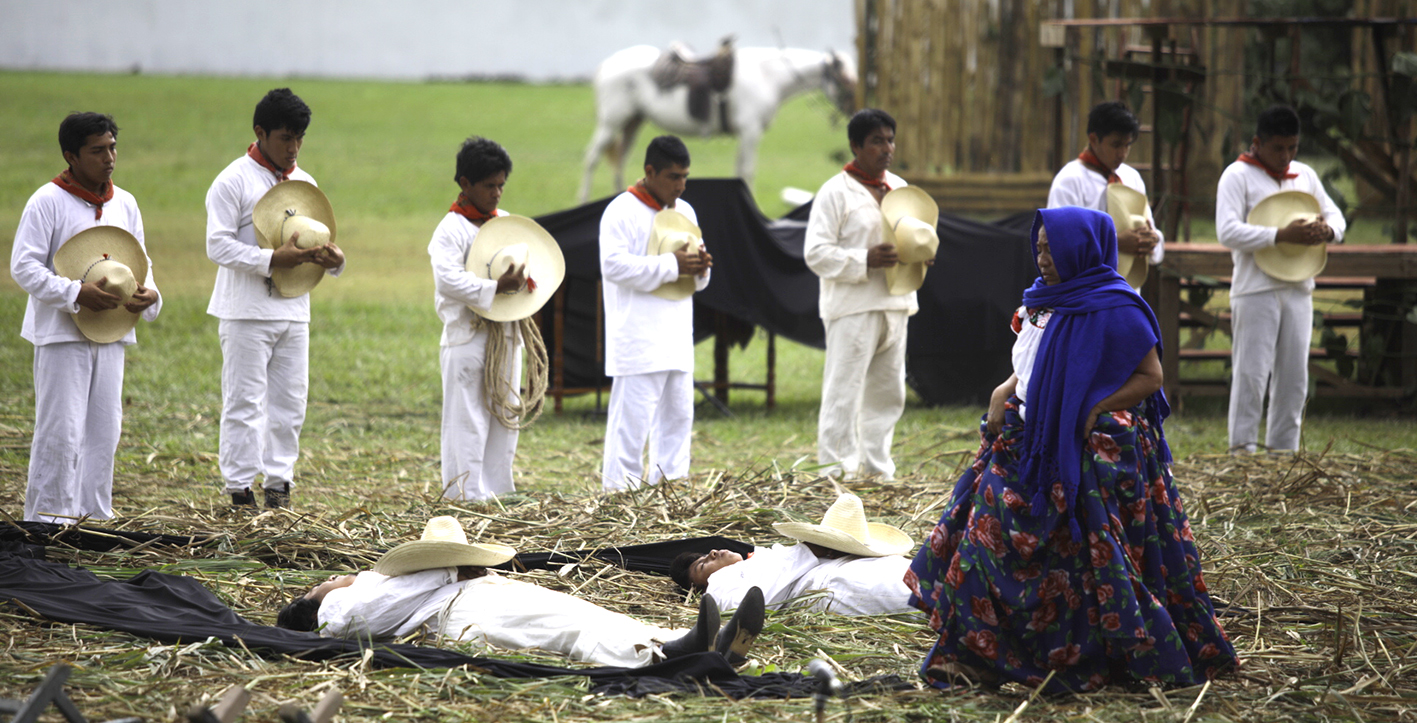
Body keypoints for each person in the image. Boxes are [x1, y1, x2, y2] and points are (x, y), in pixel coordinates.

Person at [906, 207, 1236, 692]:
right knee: (981, 539)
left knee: (1079, 565)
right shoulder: (1041, 302)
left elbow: (1151, 377)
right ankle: (969, 658)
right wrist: (1005, 389)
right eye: (1039, 248)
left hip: (1078, 452)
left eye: (1052, 249)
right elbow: (1033, 362)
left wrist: (1093, 407)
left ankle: (1080, 659)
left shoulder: (1115, 306)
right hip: (1024, 440)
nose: (1043, 258)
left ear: (1081, 250)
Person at [276, 517, 765, 668]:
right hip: (455, 612)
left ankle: (690, 642)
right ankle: (659, 657)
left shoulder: (380, 580)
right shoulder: (339, 605)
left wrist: (458, 571)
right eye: (323, 584)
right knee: (565, 628)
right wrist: (451, 573)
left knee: (585, 612)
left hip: (482, 591)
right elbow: (360, 621)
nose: (334, 579)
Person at [10, 112, 161, 523]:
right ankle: (48, 520)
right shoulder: (47, 201)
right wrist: (76, 292)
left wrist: (149, 295)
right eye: (97, 150)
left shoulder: (124, 203)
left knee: (104, 430)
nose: (109, 158)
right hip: (61, 335)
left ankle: (93, 518)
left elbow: (140, 262)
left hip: (112, 332)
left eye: (112, 147)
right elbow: (23, 266)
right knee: (61, 430)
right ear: (71, 156)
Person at [205, 88, 344, 509]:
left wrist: (335, 261)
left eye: (300, 138)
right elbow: (217, 245)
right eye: (286, 138)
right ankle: (239, 489)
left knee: (290, 401)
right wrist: (270, 259)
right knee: (244, 401)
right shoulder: (233, 180)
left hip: (294, 309)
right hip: (245, 311)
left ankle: (279, 484)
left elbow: (318, 246)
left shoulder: (305, 183)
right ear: (260, 132)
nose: (294, 147)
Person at [1217, 104, 1345, 454]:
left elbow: (1336, 216)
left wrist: (1327, 230)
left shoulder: (1305, 175)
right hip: (1255, 289)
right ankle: (1242, 453)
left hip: (1299, 286)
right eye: (1278, 148)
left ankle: (1284, 452)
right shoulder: (1237, 175)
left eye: (1292, 147)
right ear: (1257, 143)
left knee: (1294, 377)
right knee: (1251, 375)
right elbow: (1227, 231)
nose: (1286, 156)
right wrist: (1279, 235)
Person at [804, 108, 916, 480]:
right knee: (844, 390)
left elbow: (914, 237)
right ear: (856, 146)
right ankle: (836, 471)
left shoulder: (899, 188)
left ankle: (878, 469)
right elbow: (815, 253)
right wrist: (864, 259)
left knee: (888, 392)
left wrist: (920, 254)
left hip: (896, 302)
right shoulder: (835, 192)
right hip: (853, 306)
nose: (887, 149)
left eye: (890, 140)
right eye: (876, 141)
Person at [598, 135, 712, 491]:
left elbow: (697, 280)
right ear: (649, 172)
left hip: (677, 334)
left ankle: (671, 489)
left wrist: (701, 268)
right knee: (631, 424)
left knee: (678, 418)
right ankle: (619, 494)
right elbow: (613, 266)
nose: (680, 185)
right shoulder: (621, 210)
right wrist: (671, 265)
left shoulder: (685, 212)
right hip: (637, 335)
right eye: (673, 177)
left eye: (685, 177)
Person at [428, 137, 525, 501]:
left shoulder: (505, 223)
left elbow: (529, 269)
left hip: (506, 335)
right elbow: (447, 280)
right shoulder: (450, 229)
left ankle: (498, 493)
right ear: (465, 183)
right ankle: (465, 497)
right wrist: (495, 287)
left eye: (501, 185)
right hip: (467, 336)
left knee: (505, 416)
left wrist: (523, 284)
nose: (497, 193)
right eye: (489, 185)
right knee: (467, 420)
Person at [669, 493, 919, 616]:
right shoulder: (718, 585)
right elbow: (749, 605)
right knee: (922, 593)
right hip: (832, 584)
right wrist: (808, 551)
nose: (712, 553)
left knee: (926, 574)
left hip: (855, 565)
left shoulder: (759, 558)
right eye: (703, 565)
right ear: (697, 590)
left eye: (706, 554)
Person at [1047, 101, 1164, 284]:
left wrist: (1151, 240)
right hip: (1084, 290)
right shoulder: (1070, 180)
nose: (1122, 153)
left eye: (1127, 145)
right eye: (1116, 145)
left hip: (1126, 289)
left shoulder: (1131, 177)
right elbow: (1058, 243)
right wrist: (1115, 243)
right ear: (1094, 139)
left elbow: (1150, 229)